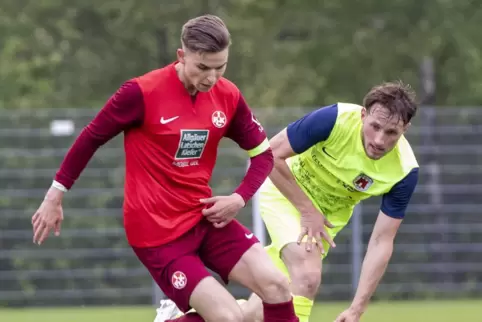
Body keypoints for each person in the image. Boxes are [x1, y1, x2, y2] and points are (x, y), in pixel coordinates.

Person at [31, 14, 299, 322]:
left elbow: (264, 155)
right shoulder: (140, 92)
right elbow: (91, 138)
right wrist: (56, 194)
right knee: (230, 318)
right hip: (157, 234)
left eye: (220, 67)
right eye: (202, 67)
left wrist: (239, 198)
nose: (211, 77)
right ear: (181, 56)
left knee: (277, 287)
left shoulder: (228, 96)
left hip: (204, 218)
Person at [155, 81, 420, 322]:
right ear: (363, 114)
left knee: (260, 310)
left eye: (391, 133)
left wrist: (356, 309)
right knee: (307, 275)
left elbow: (381, 242)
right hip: (285, 191)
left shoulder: (404, 171)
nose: (379, 140)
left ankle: (178, 317)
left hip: (325, 221)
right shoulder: (335, 119)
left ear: (405, 129)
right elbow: (269, 155)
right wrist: (307, 210)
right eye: (375, 126)